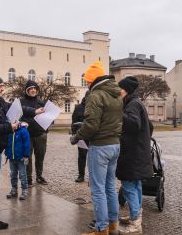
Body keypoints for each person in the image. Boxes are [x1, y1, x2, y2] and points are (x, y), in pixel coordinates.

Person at [0, 75, 44, 230]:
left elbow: (16, 108)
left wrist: (35, 111)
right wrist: (9, 127)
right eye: (0, 86)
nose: (2, 89)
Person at [70, 61, 123, 235]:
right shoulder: (116, 94)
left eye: (87, 80)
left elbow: (91, 125)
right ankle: (113, 225)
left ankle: (101, 228)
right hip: (114, 144)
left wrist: (76, 137)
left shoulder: (96, 95)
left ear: (92, 80)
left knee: (98, 189)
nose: (86, 83)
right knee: (109, 187)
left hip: (100, 146)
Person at [116, 76, 153, 235]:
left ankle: (136, 223)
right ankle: (135, 216)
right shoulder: (136, 103)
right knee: (135, 185)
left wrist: (117, 111)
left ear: (126, 90)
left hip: (132, 154)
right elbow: (149, 126)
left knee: (129, 186)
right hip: (138, 153)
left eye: (120, 89)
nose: (118, 92)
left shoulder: (132, 104)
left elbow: (132, 124)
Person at [20, 80, 48, 186]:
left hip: (40, 134)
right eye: (31, 89)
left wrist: (46, 128)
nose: (33, 90)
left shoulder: (41, 102)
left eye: (34, 88)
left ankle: (39, 176)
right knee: (27, 157)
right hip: (27, 134)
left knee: (40, 156)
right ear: (27, 90)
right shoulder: (21, 101)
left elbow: (47, 116)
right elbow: (21, 115)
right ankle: (28, 178)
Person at [5, 122, 31, 200]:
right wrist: (7, 153)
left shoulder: (23, 131)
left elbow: (27, 144)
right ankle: (14, 190)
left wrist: (26, 155)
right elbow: (7, 143)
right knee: (13, 174)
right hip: (11, 157)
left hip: (21, 158)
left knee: (22, 175)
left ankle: (24, 190)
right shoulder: (10, 131)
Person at [71, 91, 90, 183]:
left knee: (94, 157)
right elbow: (74, 121)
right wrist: (75, 134)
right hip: (82, 136)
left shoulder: (96, 106)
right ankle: (81, 175)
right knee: (82, 156)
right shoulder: (79, 108)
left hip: (93, 136)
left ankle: (92, 175)